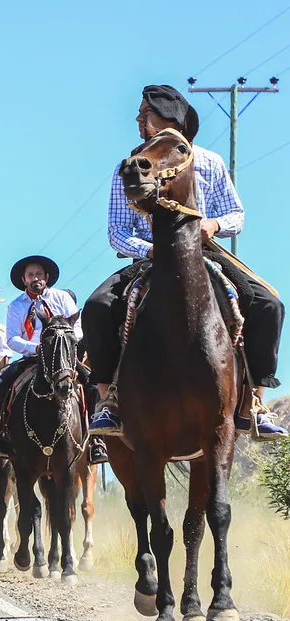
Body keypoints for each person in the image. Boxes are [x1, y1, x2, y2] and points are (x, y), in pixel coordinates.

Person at [84, 84, 287, 440]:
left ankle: (255, 403)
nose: (138, 119)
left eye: (144, 113)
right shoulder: (130, 166)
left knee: (269, 304)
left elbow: (236, 214)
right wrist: (149, 250)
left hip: (205, 252)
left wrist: (214, 224)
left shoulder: (210, 161)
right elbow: (117, 231)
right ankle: (109, 401)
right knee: (98, 306)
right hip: (149, 256)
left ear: (167, 117)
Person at [0, 255, 107, 464]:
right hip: (32, 358)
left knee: (92, 384)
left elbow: (78, 328)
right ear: (24, 280)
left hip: (62, 358)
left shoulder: (62, 298)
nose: (35, 278)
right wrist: (36, 347)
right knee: (1, 383)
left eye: (39, 274)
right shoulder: (16, 306)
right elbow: (11, 338)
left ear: (47, 276)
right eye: (30, 275)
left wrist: (62, 341)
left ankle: (97, 440)